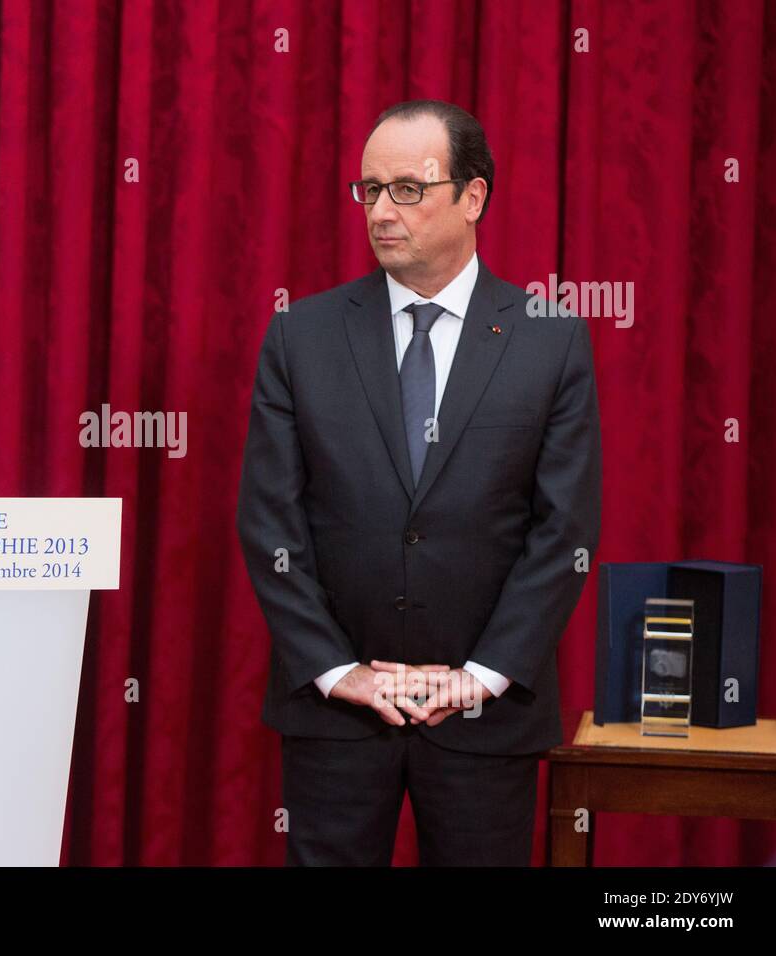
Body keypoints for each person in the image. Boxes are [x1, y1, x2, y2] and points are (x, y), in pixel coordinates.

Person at [236, 99, 602, 865]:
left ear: (473, 197)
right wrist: (341, 672)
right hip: (337, 715)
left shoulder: (550, 340)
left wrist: (483, 676)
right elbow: (271, 523)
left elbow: (562, 529)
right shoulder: (300, 336)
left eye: (408, 188)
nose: (381, 210)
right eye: (369, 190)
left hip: (483, 715)